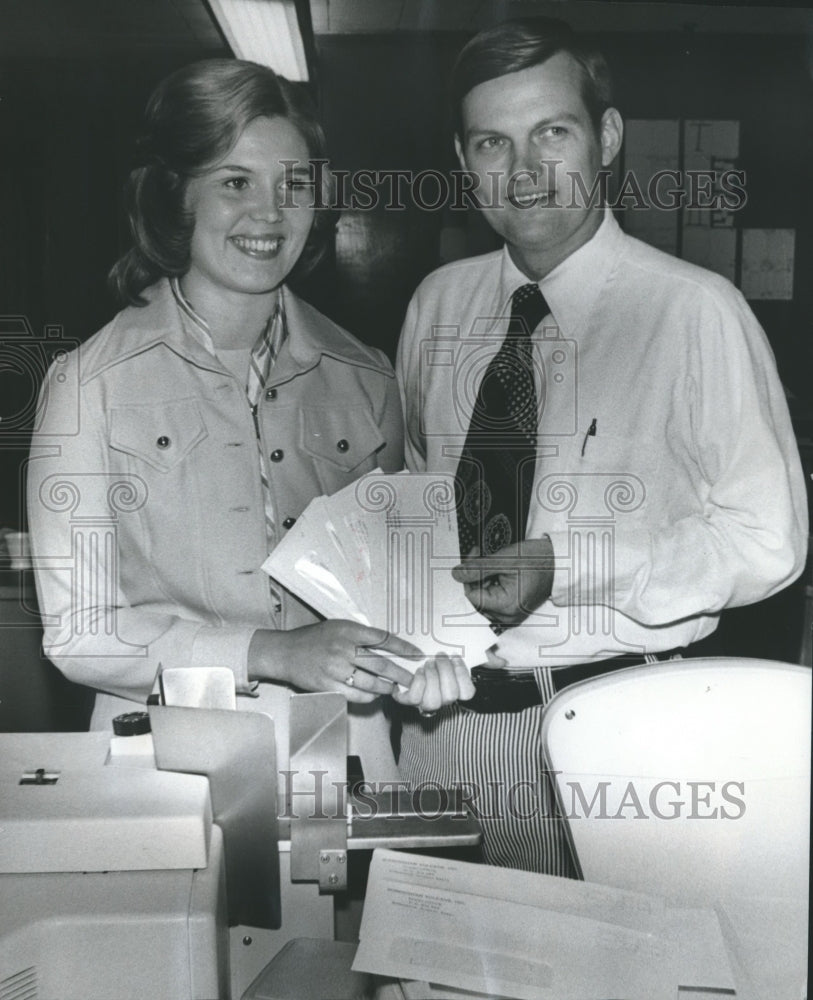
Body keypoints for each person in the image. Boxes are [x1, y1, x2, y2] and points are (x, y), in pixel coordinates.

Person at [395, 18, 808, 872]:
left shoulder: (696, 312)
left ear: (606, 138)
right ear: (463, 162)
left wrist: (568, 560)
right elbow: (418, 500)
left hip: (622, 733)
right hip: (442, 733)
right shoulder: (435, 304)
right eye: (491, 143)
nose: (524, 171)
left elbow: (768, 542)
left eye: (552, 132)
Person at [27, 58, 444, 780]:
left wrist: (432, 651)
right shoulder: (87, 383)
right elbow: (78, 633)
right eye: (234, 181)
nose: (269, 212)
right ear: (175, 197)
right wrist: (271, 652)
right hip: (164, 768)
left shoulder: (366, 375)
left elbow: (399, 592)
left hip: (346, 760)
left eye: (294, 184)